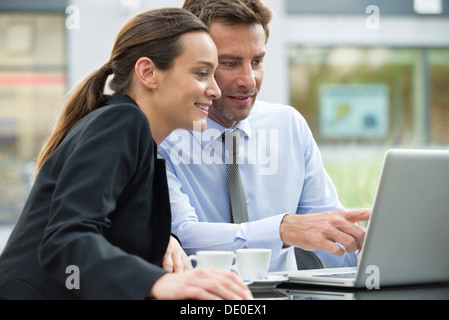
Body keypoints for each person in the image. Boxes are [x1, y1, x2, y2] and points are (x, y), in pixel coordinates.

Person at [0, 8, 252, 300]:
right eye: (201, 73)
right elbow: (65, 239)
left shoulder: (135, 135)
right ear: (148, 73)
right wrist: (155, 283)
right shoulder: (121, 123)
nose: (215, 90)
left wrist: (161, 242)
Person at [158, 0, 371, 272]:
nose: (249, 80)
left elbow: (328, 235)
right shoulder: (162, 138)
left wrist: (369, 252)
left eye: (257, 61)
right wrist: (282, 229)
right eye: (230, 63)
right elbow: (182, 236)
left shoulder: (288, 124)